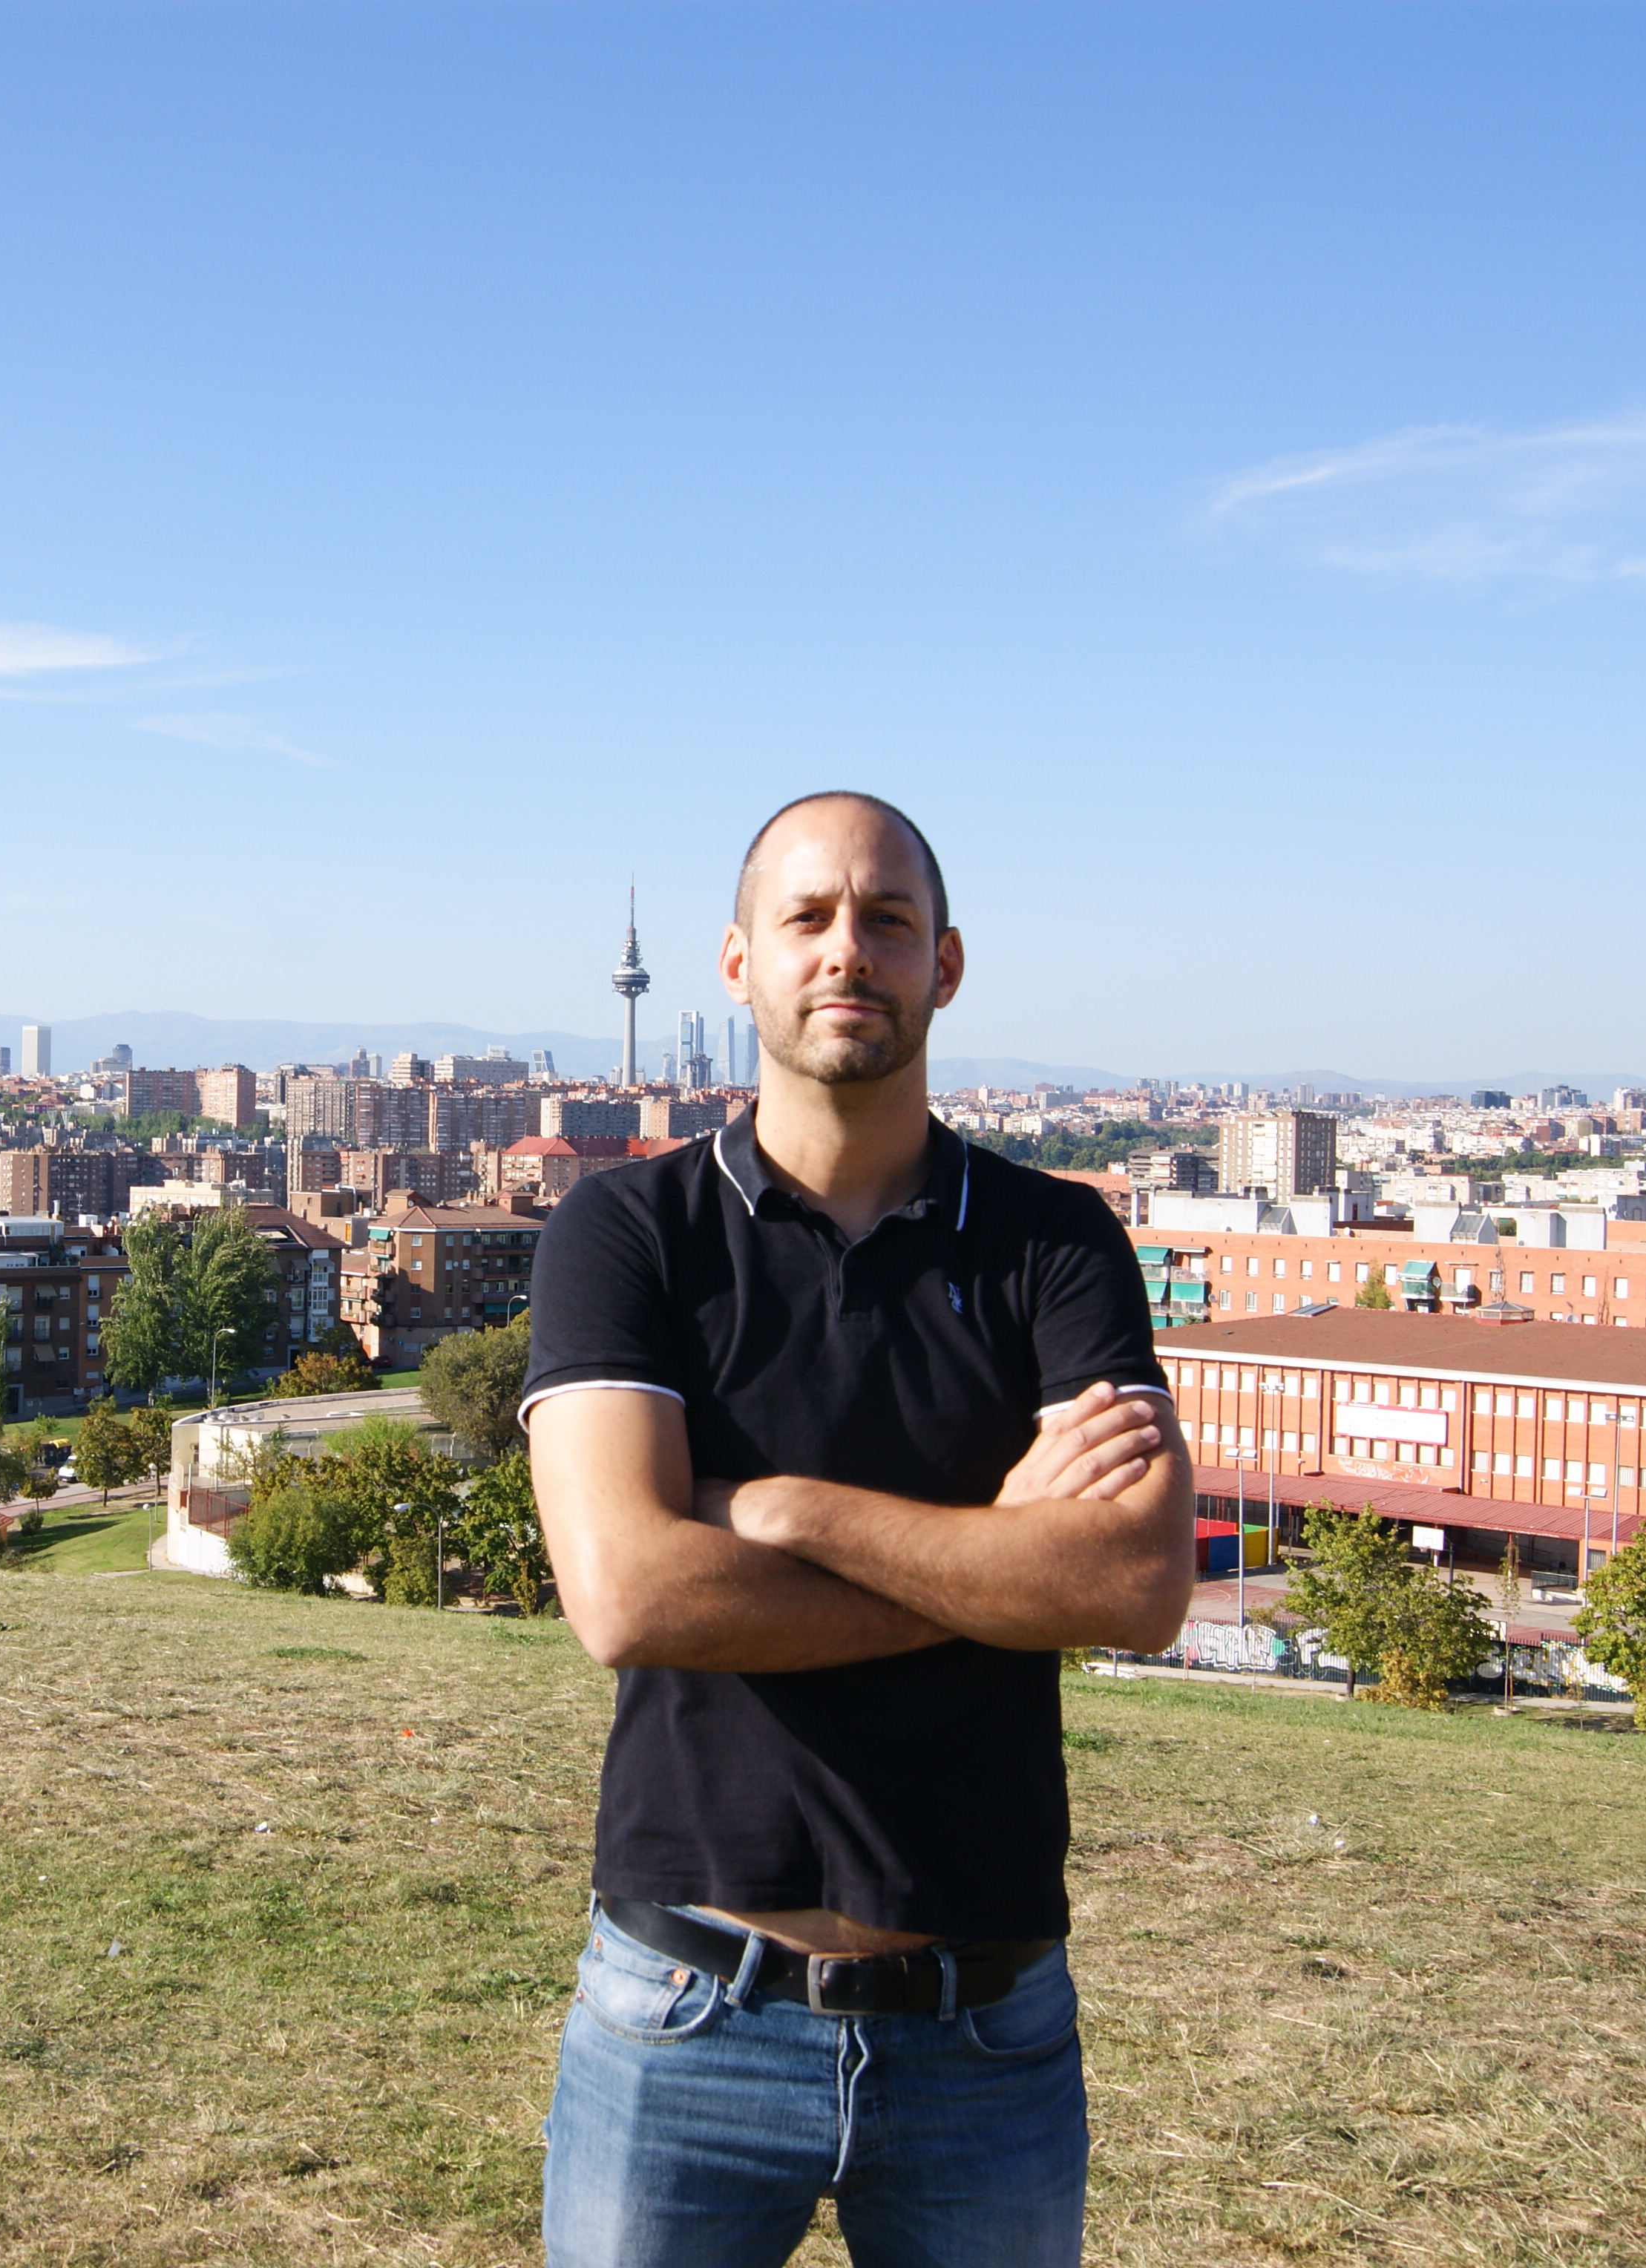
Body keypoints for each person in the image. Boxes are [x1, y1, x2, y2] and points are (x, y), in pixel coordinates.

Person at [519, 790, 1196, 2267]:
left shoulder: (1055, 1242)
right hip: (684, 2010)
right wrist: (997, 1559)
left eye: (888, 919)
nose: (848, 951)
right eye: (808, 918)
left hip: (985, 2026)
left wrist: (784, 1511)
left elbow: (1138, 1584)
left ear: (945, 964)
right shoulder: (627, 1232)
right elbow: (629, 1596)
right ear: (737, 962)